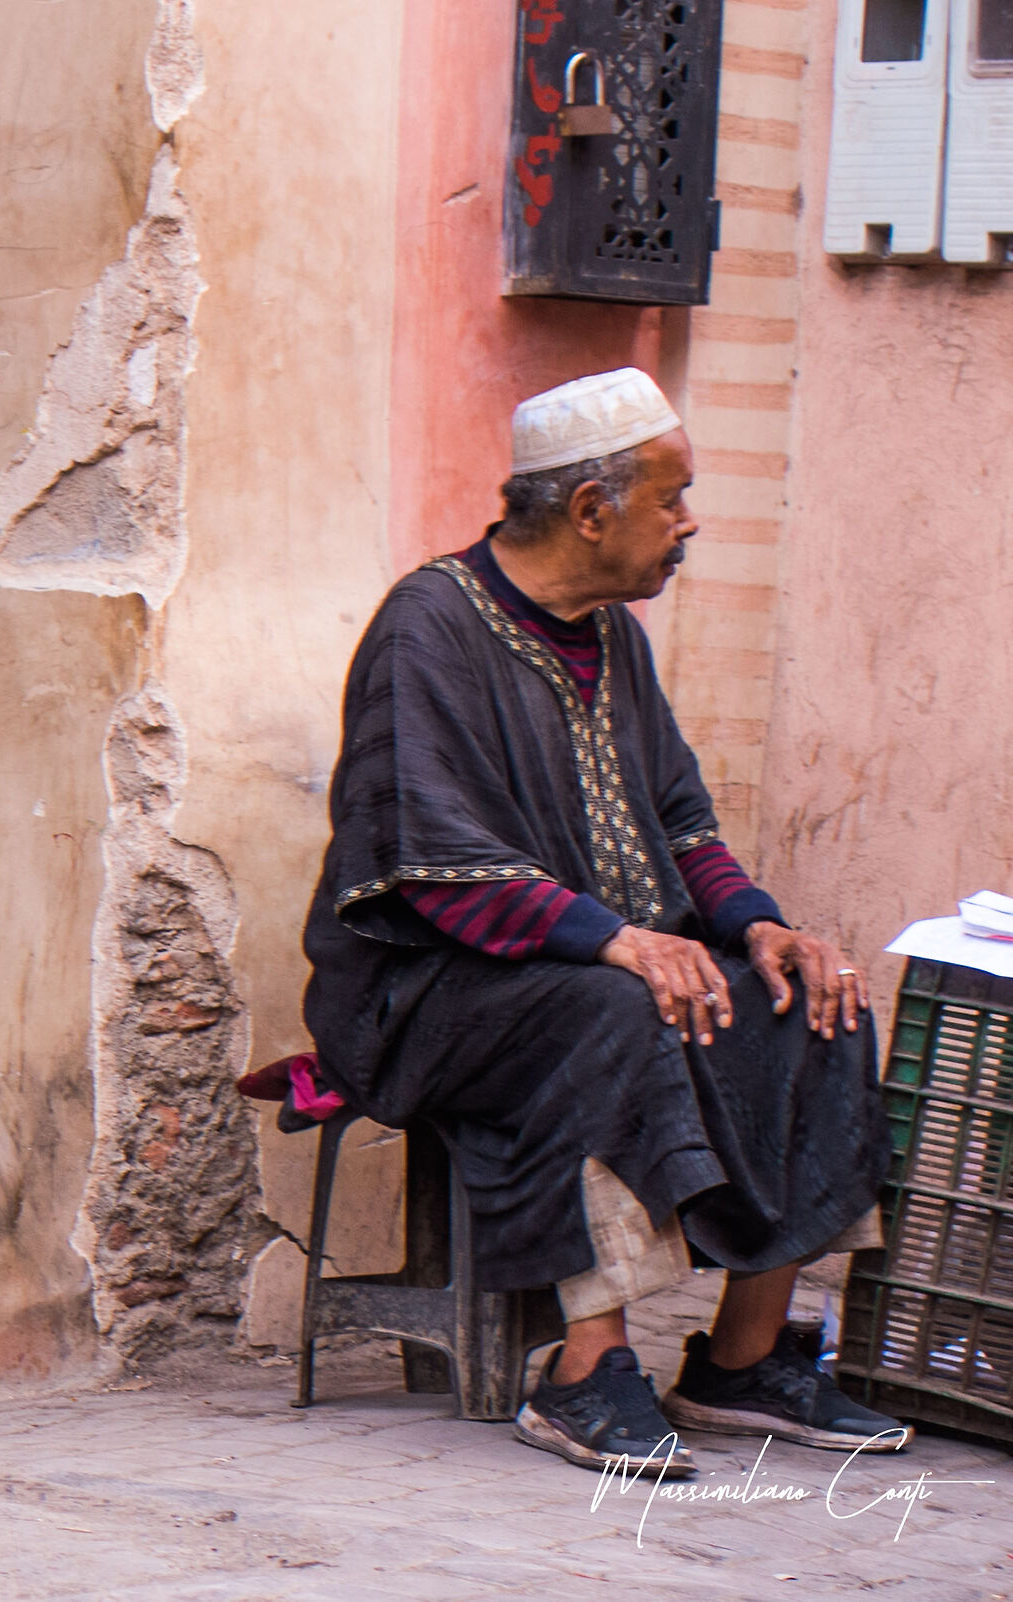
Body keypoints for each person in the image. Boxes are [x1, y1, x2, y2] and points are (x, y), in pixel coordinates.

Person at [301, 369, 905, 1476]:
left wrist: (762, 927)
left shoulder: (615, 636)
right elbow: (429, 859)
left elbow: (680, 821)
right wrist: (618, 939)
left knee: (816, 1000)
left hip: (594, 966)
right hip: (430, 995)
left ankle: (742, 1360)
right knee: (613, 1010)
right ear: (591, 511)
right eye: (672, 500)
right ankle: (587, 1371)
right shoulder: (428, 625)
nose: (689, 523)